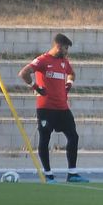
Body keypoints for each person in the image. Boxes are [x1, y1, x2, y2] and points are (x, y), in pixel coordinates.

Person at [19, 32, 87, 183]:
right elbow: (24, 73)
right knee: (45, 139)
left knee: (73, 137)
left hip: (62, 107)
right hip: (46, 108)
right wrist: (34, 86)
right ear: (58, 46)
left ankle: (72, 173)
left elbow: (72, 74)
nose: (67, 52)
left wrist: (69, 84)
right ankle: (48, 174)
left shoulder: (64, 62)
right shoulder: (42, 60)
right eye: (65, 48)